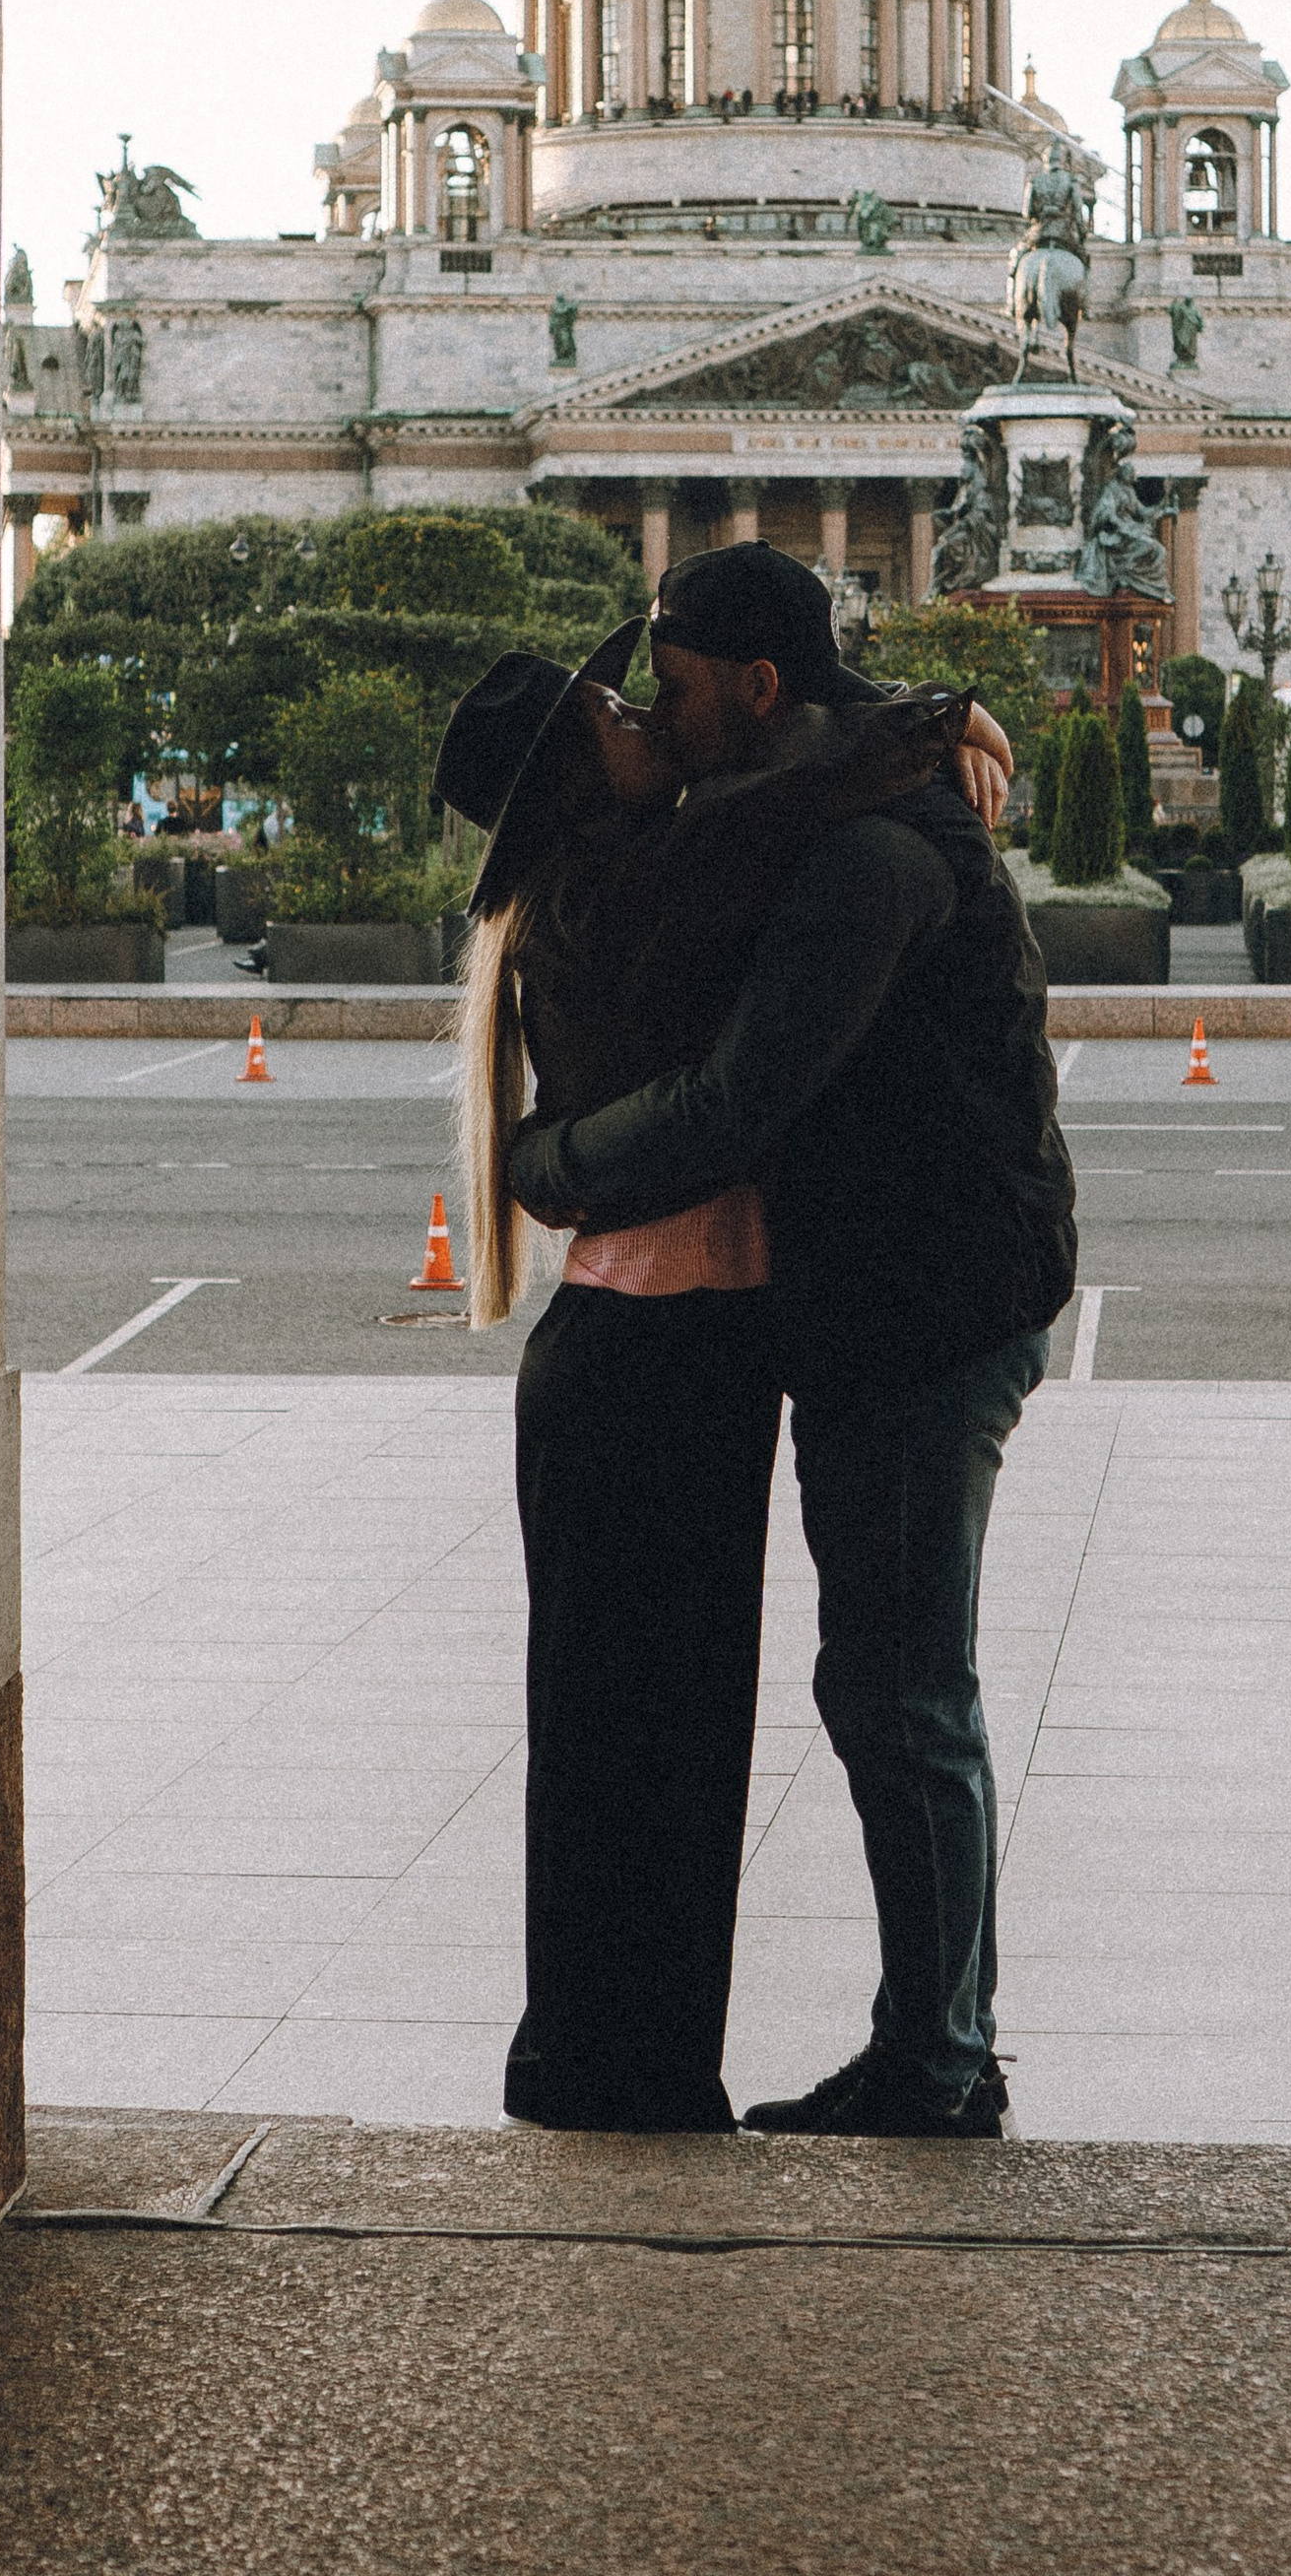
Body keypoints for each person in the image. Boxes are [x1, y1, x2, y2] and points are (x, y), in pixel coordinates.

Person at [508, 544, 1075, 2143]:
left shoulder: (866, 856)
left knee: (903, 1693)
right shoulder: (815, 803)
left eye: (675, 689)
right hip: (881, 1294)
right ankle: (933, 2045)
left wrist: (545, 1165)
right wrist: (947, 709)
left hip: (925, 1306)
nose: (657, 715)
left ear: (759, 688)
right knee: (885, 1684)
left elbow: (737, 1100)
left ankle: (939, 2063)